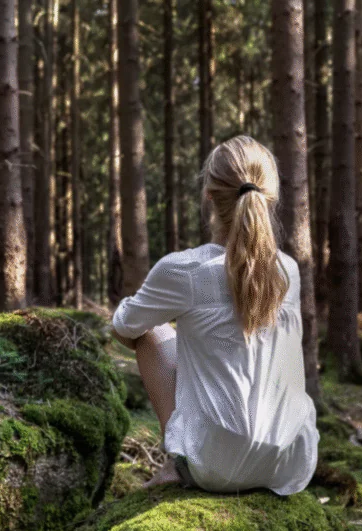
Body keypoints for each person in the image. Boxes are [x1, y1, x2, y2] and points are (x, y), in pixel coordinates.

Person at [111, 135, 319, 494]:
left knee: (151, 333)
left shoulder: (184, 269)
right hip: (290, 463)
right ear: (270, 196)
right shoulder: (288, 270)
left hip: (215, 468)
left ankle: (176, 462)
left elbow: (124, 326)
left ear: (209, 195)